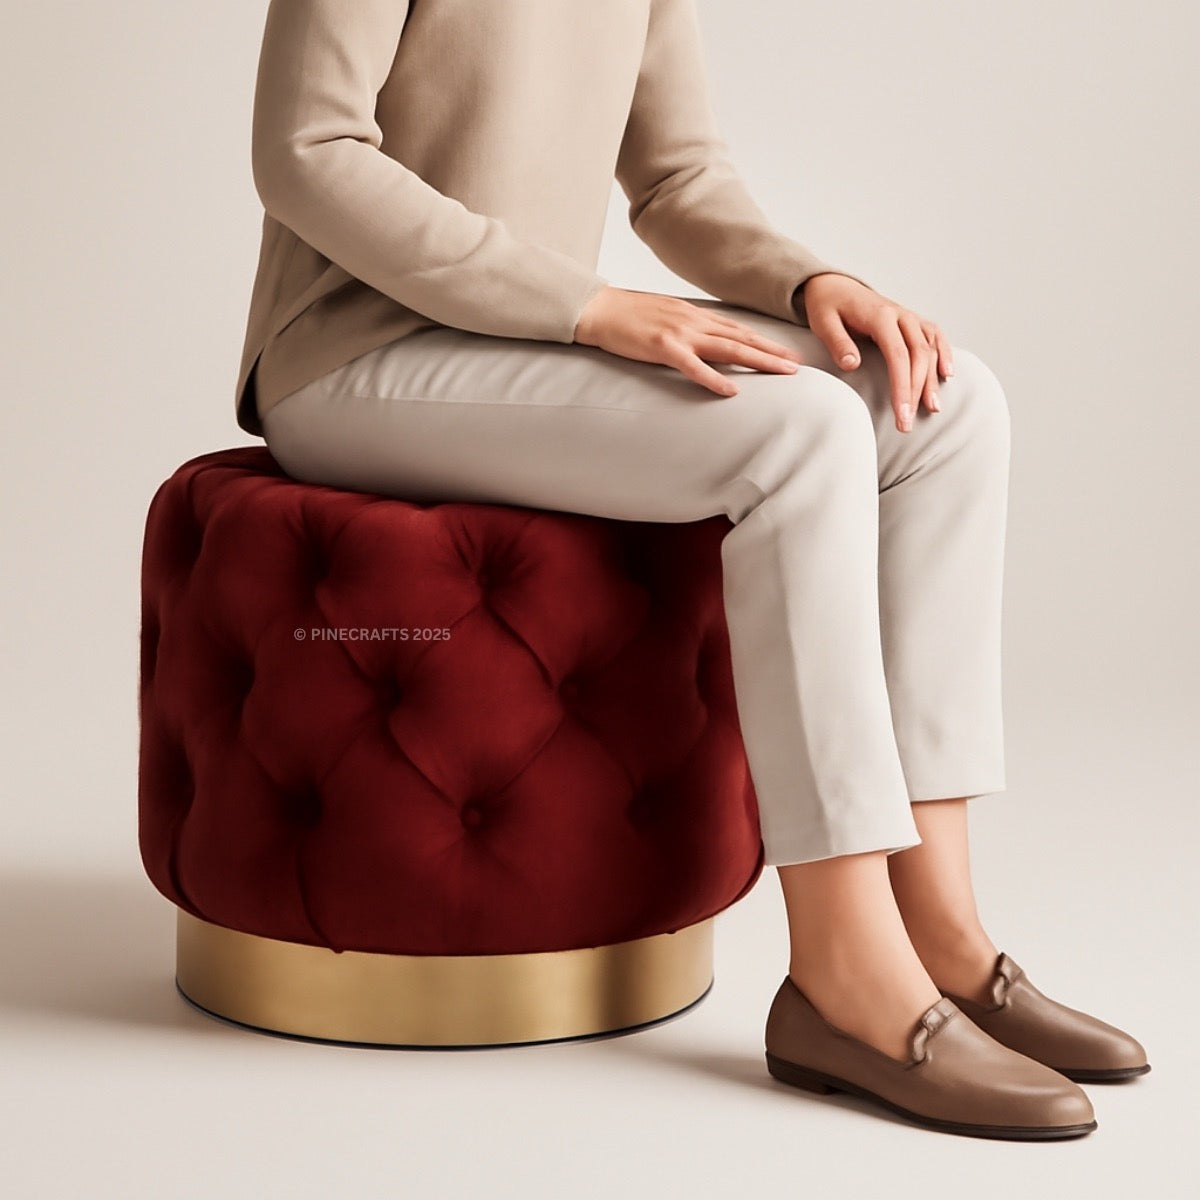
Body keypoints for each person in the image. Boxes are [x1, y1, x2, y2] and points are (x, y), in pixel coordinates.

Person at [234, 0, 1148, 1139]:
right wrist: (587, 306)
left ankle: (944, 940)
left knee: (948, 408)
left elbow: (676, 180)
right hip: (354, 355)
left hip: (521, 340)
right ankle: (846, 981)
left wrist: (811, 281)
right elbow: (307, 153)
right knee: (802, 433)